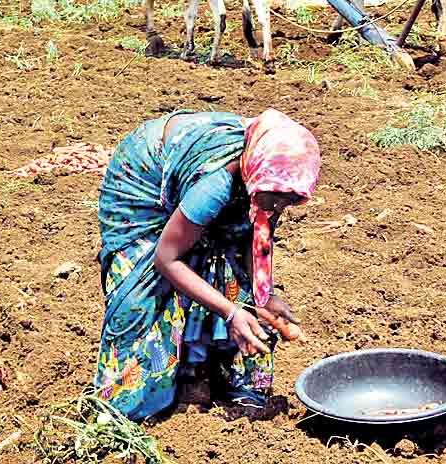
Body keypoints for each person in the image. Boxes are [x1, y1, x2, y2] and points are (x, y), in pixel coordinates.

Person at [95, 109, 321, 421]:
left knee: (233, 276)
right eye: (274, 199)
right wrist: (230, 312)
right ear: (254, 174)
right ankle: (131, 408)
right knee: (145, 289)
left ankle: (200, 372)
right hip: (142, 183)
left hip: (204, 190)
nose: (279, 207)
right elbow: (166, 258)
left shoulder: (273, 181)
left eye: (290, 201)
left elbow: (256, 234)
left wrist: (264, 294)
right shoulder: (218, 183)